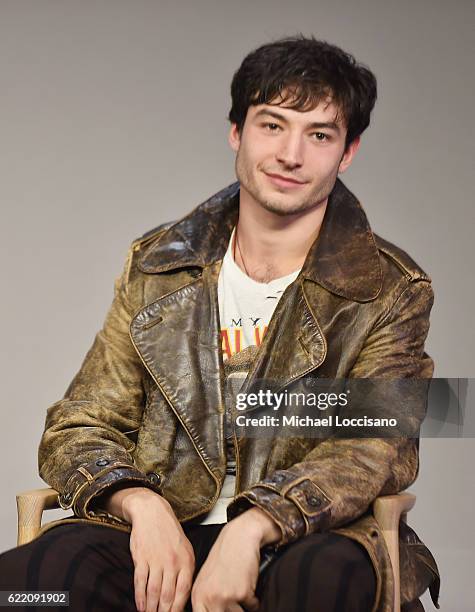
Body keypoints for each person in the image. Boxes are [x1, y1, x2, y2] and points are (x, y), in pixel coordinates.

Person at [0, 36, 440, 612]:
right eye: (272, 125)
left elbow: (377, 447)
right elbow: (80, 423)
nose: (291, 154)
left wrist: (256, 524)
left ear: (347, 152)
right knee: (31, 585)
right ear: (237, 132)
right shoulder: (159, 263)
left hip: (308, 533)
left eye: (319, 135)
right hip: (161, 526)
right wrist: (140, 503)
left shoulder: (388, 287)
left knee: (322, 582)